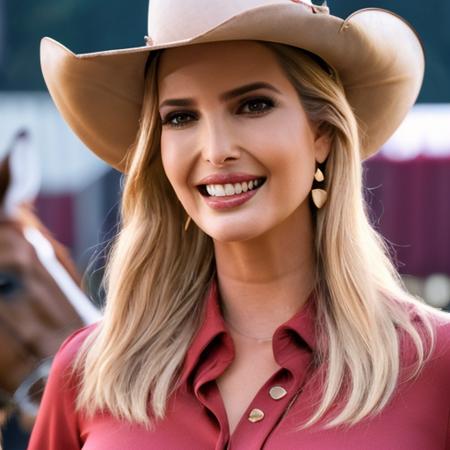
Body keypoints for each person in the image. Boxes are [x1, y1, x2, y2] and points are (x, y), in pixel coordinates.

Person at [29, 0, 450, 448]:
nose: (215, 150)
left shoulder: (436, 366)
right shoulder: (89, 371)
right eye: (180, 117)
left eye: (253, 105)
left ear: (321, 134)